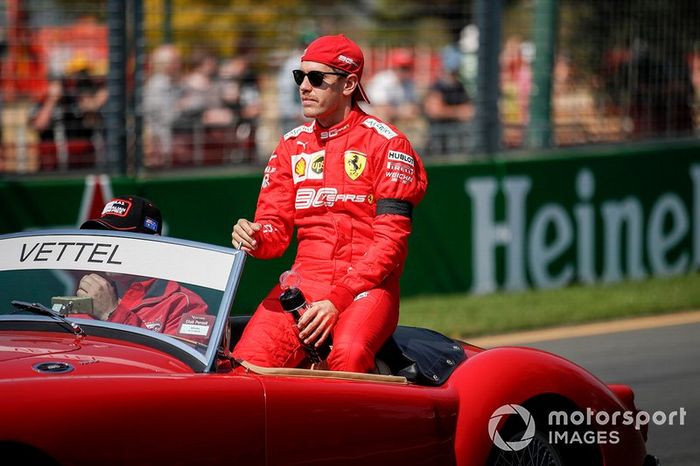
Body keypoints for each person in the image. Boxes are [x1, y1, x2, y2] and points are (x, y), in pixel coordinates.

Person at [231, 34, 428, 373]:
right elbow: (275, 234)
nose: (304, 87)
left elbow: (390, 243)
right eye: (300, 77)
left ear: (349, 83)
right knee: (246, 365)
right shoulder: (290, 146)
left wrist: (337, 300)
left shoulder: (389, 145)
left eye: (317, 78)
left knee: (347, 355)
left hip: (368, 287)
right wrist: (255, 236)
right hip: (304, 281)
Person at [77, 195, 208, 335]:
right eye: (105, 237)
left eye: (120, 237)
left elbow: (174, 357)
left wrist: (111, 313)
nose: (109, 246)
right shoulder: (89, 297)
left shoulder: (186, 306)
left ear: (152, 244)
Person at [423, 45, 473, 155]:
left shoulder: (460, 86)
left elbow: (469, 108)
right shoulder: (437, 87)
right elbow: (434, 111)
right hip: (439, 138)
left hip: (457, 137)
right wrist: (458, 112)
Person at [365, 48, 420, 124]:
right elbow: (381, 109)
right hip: (369, 117)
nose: (404, 71)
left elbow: (414, 108)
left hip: (396, 118)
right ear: (395, 67)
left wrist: (405, 111)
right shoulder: (382, 80)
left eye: (407, 68)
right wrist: (402, 112)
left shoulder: (409, 83)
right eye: (402, 67)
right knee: (382, 116)